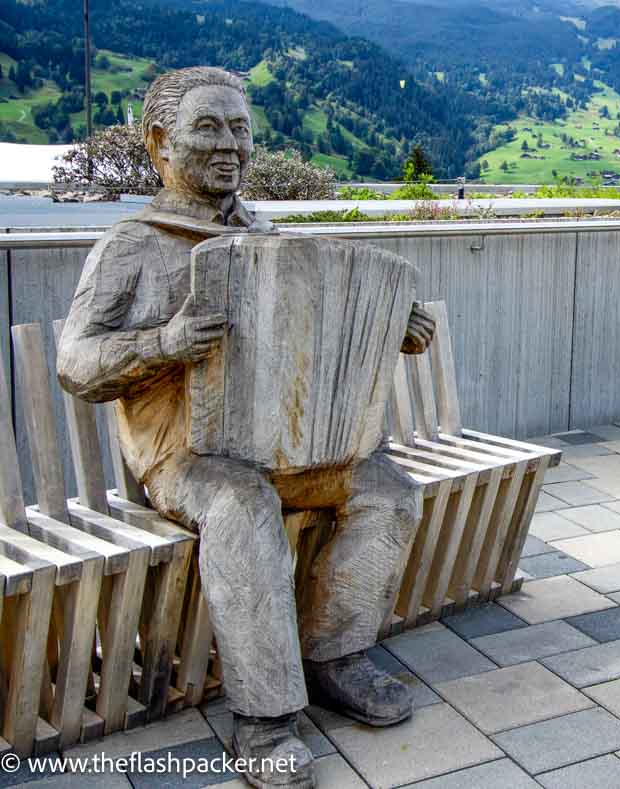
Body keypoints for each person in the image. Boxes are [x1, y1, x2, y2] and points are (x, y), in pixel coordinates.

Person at [57, 66, 435, 789]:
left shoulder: (268, 238)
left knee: (387, 489)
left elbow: (312, 336)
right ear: (160, 142)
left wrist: (391, 327)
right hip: (186, 455)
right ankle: (263, 721)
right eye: (209, 128)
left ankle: (336, 657)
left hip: (285, 444)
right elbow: (76, 363)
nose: (230, 146)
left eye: (240, 129)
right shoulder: (133, 244)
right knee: (242, 502)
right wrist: (162, 342)